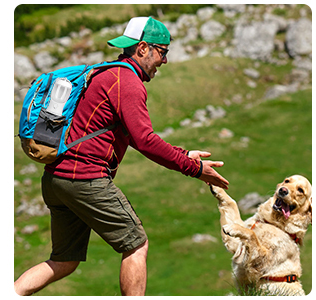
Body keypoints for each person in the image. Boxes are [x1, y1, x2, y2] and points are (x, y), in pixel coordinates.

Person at [13, 16, 230, 296]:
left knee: (64, 260)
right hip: (85, 179)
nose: (164, 60)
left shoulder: (105, 73)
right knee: (136, 246)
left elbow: (132, 136)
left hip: (57, 179)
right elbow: (146, 141)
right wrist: (194, 169)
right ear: (143, 48)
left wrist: (185, 154)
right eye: (162, 52)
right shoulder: (127, 82)